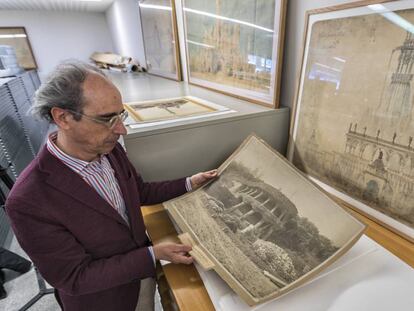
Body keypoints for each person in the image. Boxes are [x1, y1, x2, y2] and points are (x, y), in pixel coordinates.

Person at [5, 61, 217, 311]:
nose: (122, 129)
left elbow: (139, 192)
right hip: (104, 301)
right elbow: (75, 278)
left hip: (140, 282)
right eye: (107, 119)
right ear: (62, 117)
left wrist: (190, 183)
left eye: (121, 115)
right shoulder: (28, 200)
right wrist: (152, 255)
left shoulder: (109, 149)